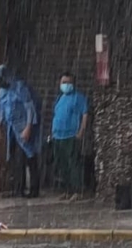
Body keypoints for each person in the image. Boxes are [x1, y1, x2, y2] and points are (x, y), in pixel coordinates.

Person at [0, 65, 42, 199]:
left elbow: (29, 108)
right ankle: (17, 188)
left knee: (29, 157)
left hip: (23, 127)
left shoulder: (20, 88)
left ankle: (34, 188)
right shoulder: (3, 91)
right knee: (14, 158)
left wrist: (28, 128)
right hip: (11, 128)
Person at [51, 72, 89, 202]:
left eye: (68, 82)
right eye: (63, 82)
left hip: (71, 135)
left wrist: (81, 131)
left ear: (73, 84)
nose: (65, 85)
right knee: (62, 164)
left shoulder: (78, 98)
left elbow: (85, 114)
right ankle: (67, 190)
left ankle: (78, 190)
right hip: (58, 135)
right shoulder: (60, 98)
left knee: (73, 163)